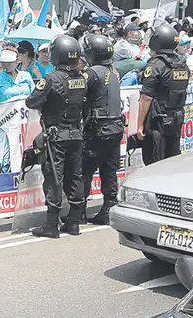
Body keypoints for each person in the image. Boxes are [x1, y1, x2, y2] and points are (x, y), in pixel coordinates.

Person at [25, 35, 87, 238]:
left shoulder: (51, 79)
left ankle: (51, 224)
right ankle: (74, 222)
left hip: (56, 135)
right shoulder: (81, 77)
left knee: (54, 178)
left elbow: (32, 101)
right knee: (75, 177)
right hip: (76, 134)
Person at [80, 35, 124, 226]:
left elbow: (77, 94)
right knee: (109, 169)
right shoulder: (113, 72)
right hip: (115, 127)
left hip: (98, 129)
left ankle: (78, 211)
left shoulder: (91, 73)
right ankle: (108, 207)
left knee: (84, 170)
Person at [135, 24, 190, 166]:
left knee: (154, 163)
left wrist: (140, 125)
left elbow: (146, 97)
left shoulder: (155, 65)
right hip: (176, 120)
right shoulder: (182, 64)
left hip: (158, 122)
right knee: (172, 162)